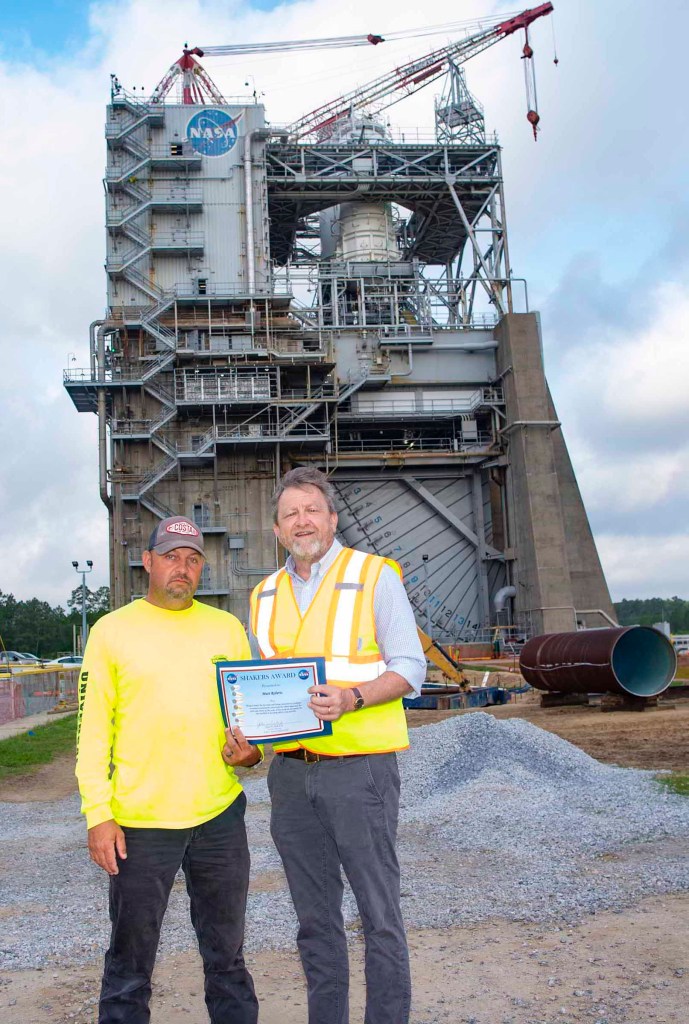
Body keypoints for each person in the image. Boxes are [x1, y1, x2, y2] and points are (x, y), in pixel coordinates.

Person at [249, 467, 426, 1024]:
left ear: (332, 518)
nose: (302, 522)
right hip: (292, 775)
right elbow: (260, 685)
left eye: (311, 510)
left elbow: (410, 668)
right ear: (277, 530)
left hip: (361, 772)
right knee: (314, 918)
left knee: (378, 913)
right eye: (290, 514)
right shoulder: (263, 594)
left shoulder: (375, 576)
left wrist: (354, 697)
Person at [76, 515, 261, 1024]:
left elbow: (247, 725)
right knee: (130, 965)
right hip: (139, 825)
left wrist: (252, 754)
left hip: (218, 818)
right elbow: (91, 734)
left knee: (227, 960)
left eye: (194, 559)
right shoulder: (112, 632)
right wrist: (98, 814)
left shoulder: (225, 629)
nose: (183, 567)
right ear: (148, 562)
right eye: (173, 556)